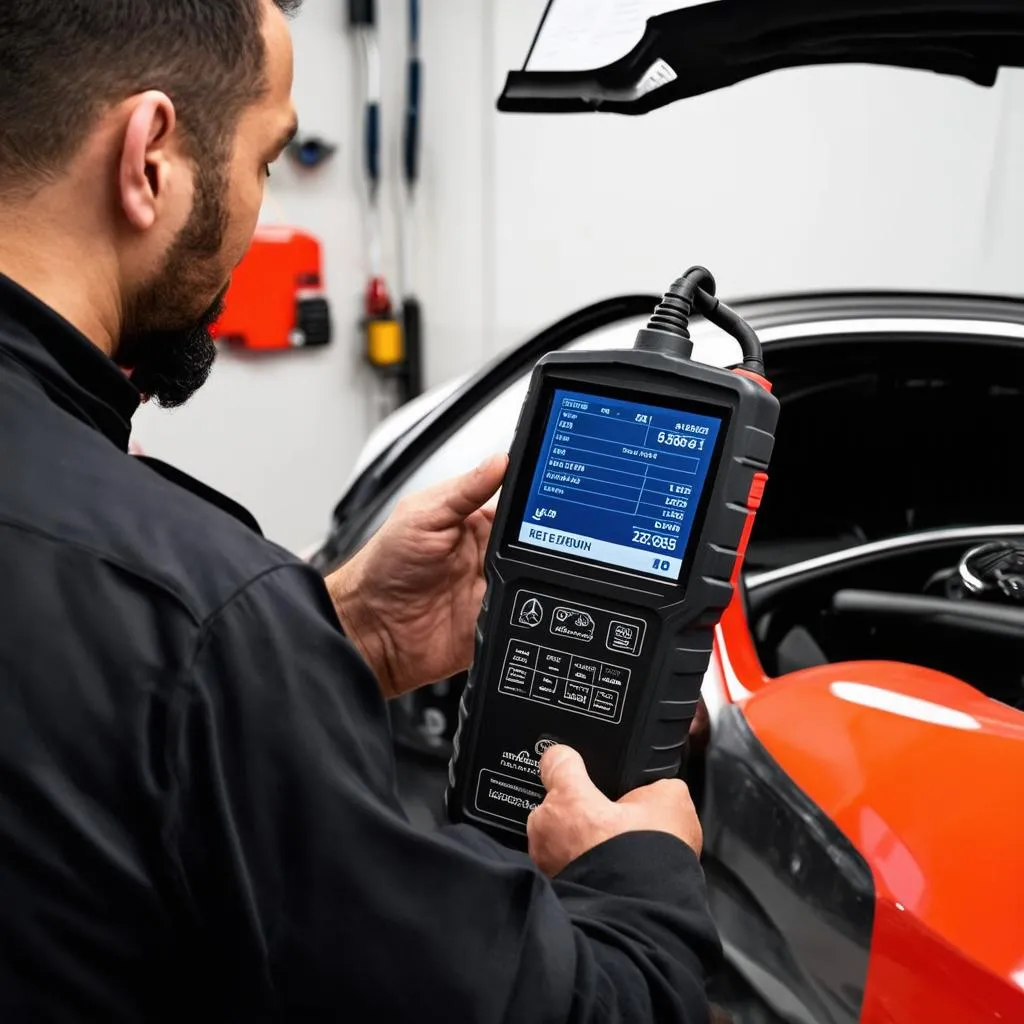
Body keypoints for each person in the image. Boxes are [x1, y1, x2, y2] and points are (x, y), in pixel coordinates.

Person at [0, 1, 722, 1020]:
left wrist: (339, 629)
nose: (254, 210)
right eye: (263, 159)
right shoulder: (203, 610)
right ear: (149, 156)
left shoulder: (190, 611)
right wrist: (640, 878)